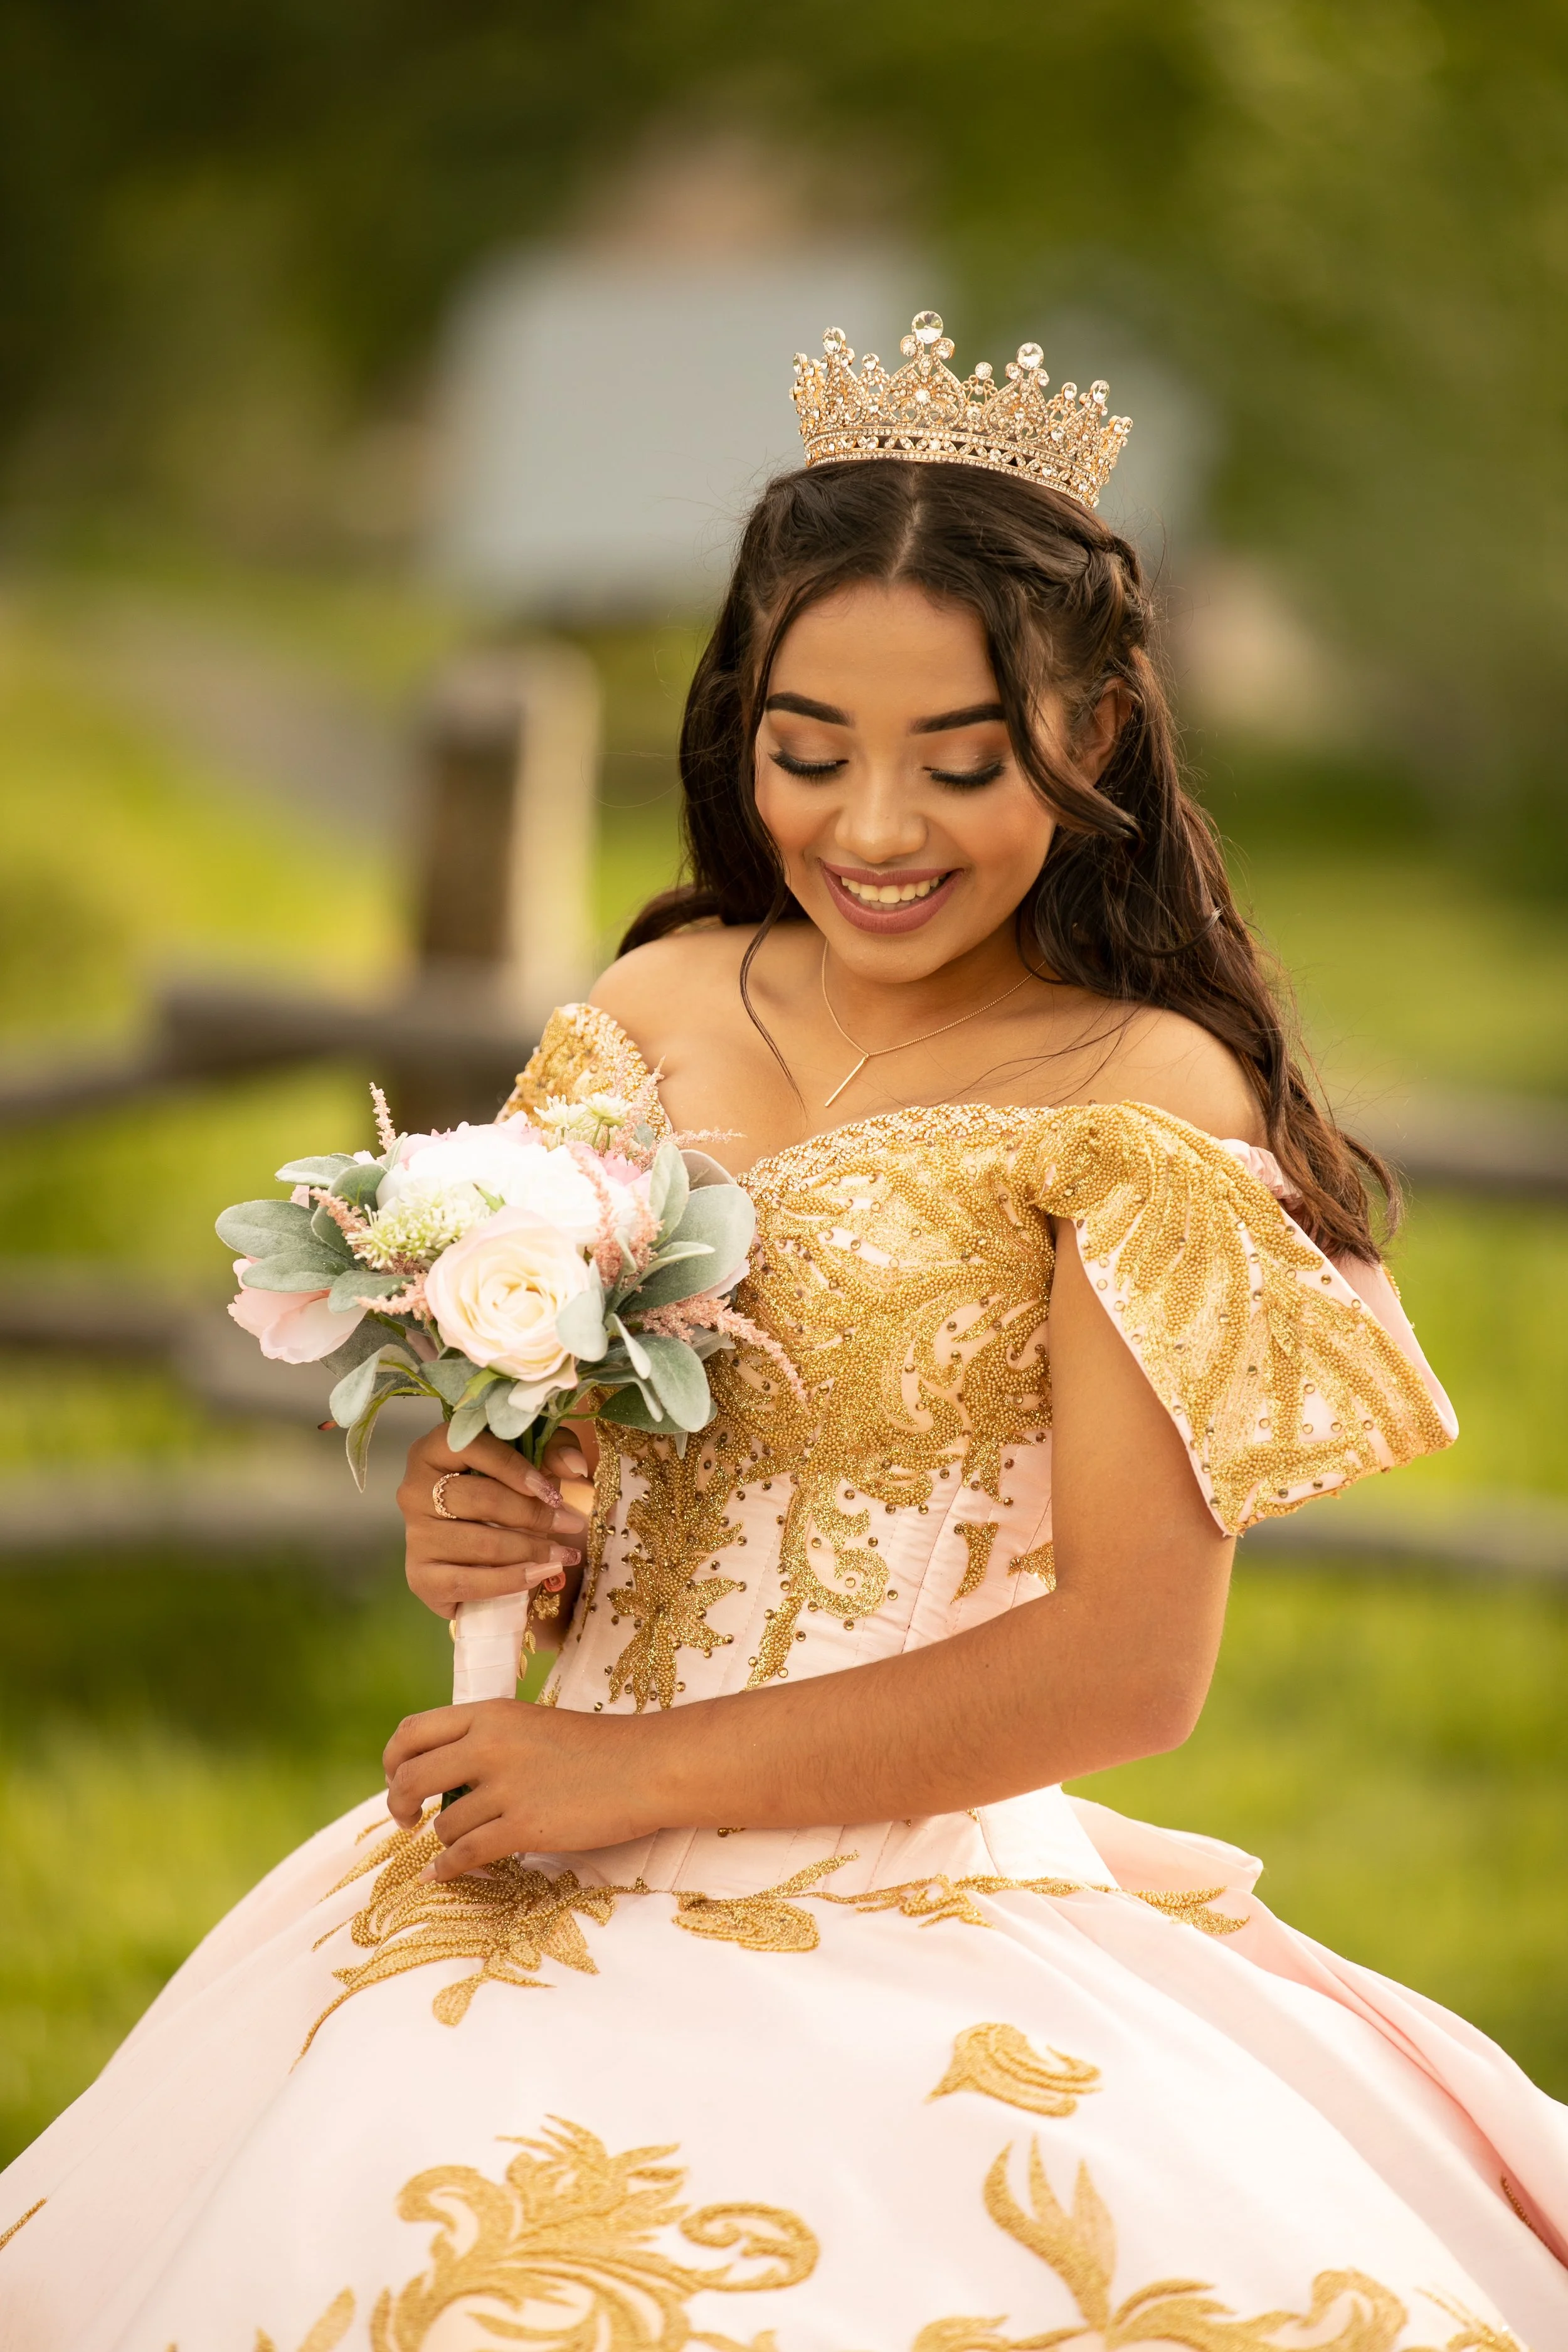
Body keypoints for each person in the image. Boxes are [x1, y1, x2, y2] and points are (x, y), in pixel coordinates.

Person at [3, 314, 1565, 2352]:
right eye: (809, 750)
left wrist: (628, 1770)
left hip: (904, 1892)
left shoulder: (1139, 1099)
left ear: (1090, 733)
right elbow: (564, 1490)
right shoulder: (654, 1012)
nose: (876, 827)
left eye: (960, 758)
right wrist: (478, 1527)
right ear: (739, 723)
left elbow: (1132, 1660)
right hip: (529, 1851)